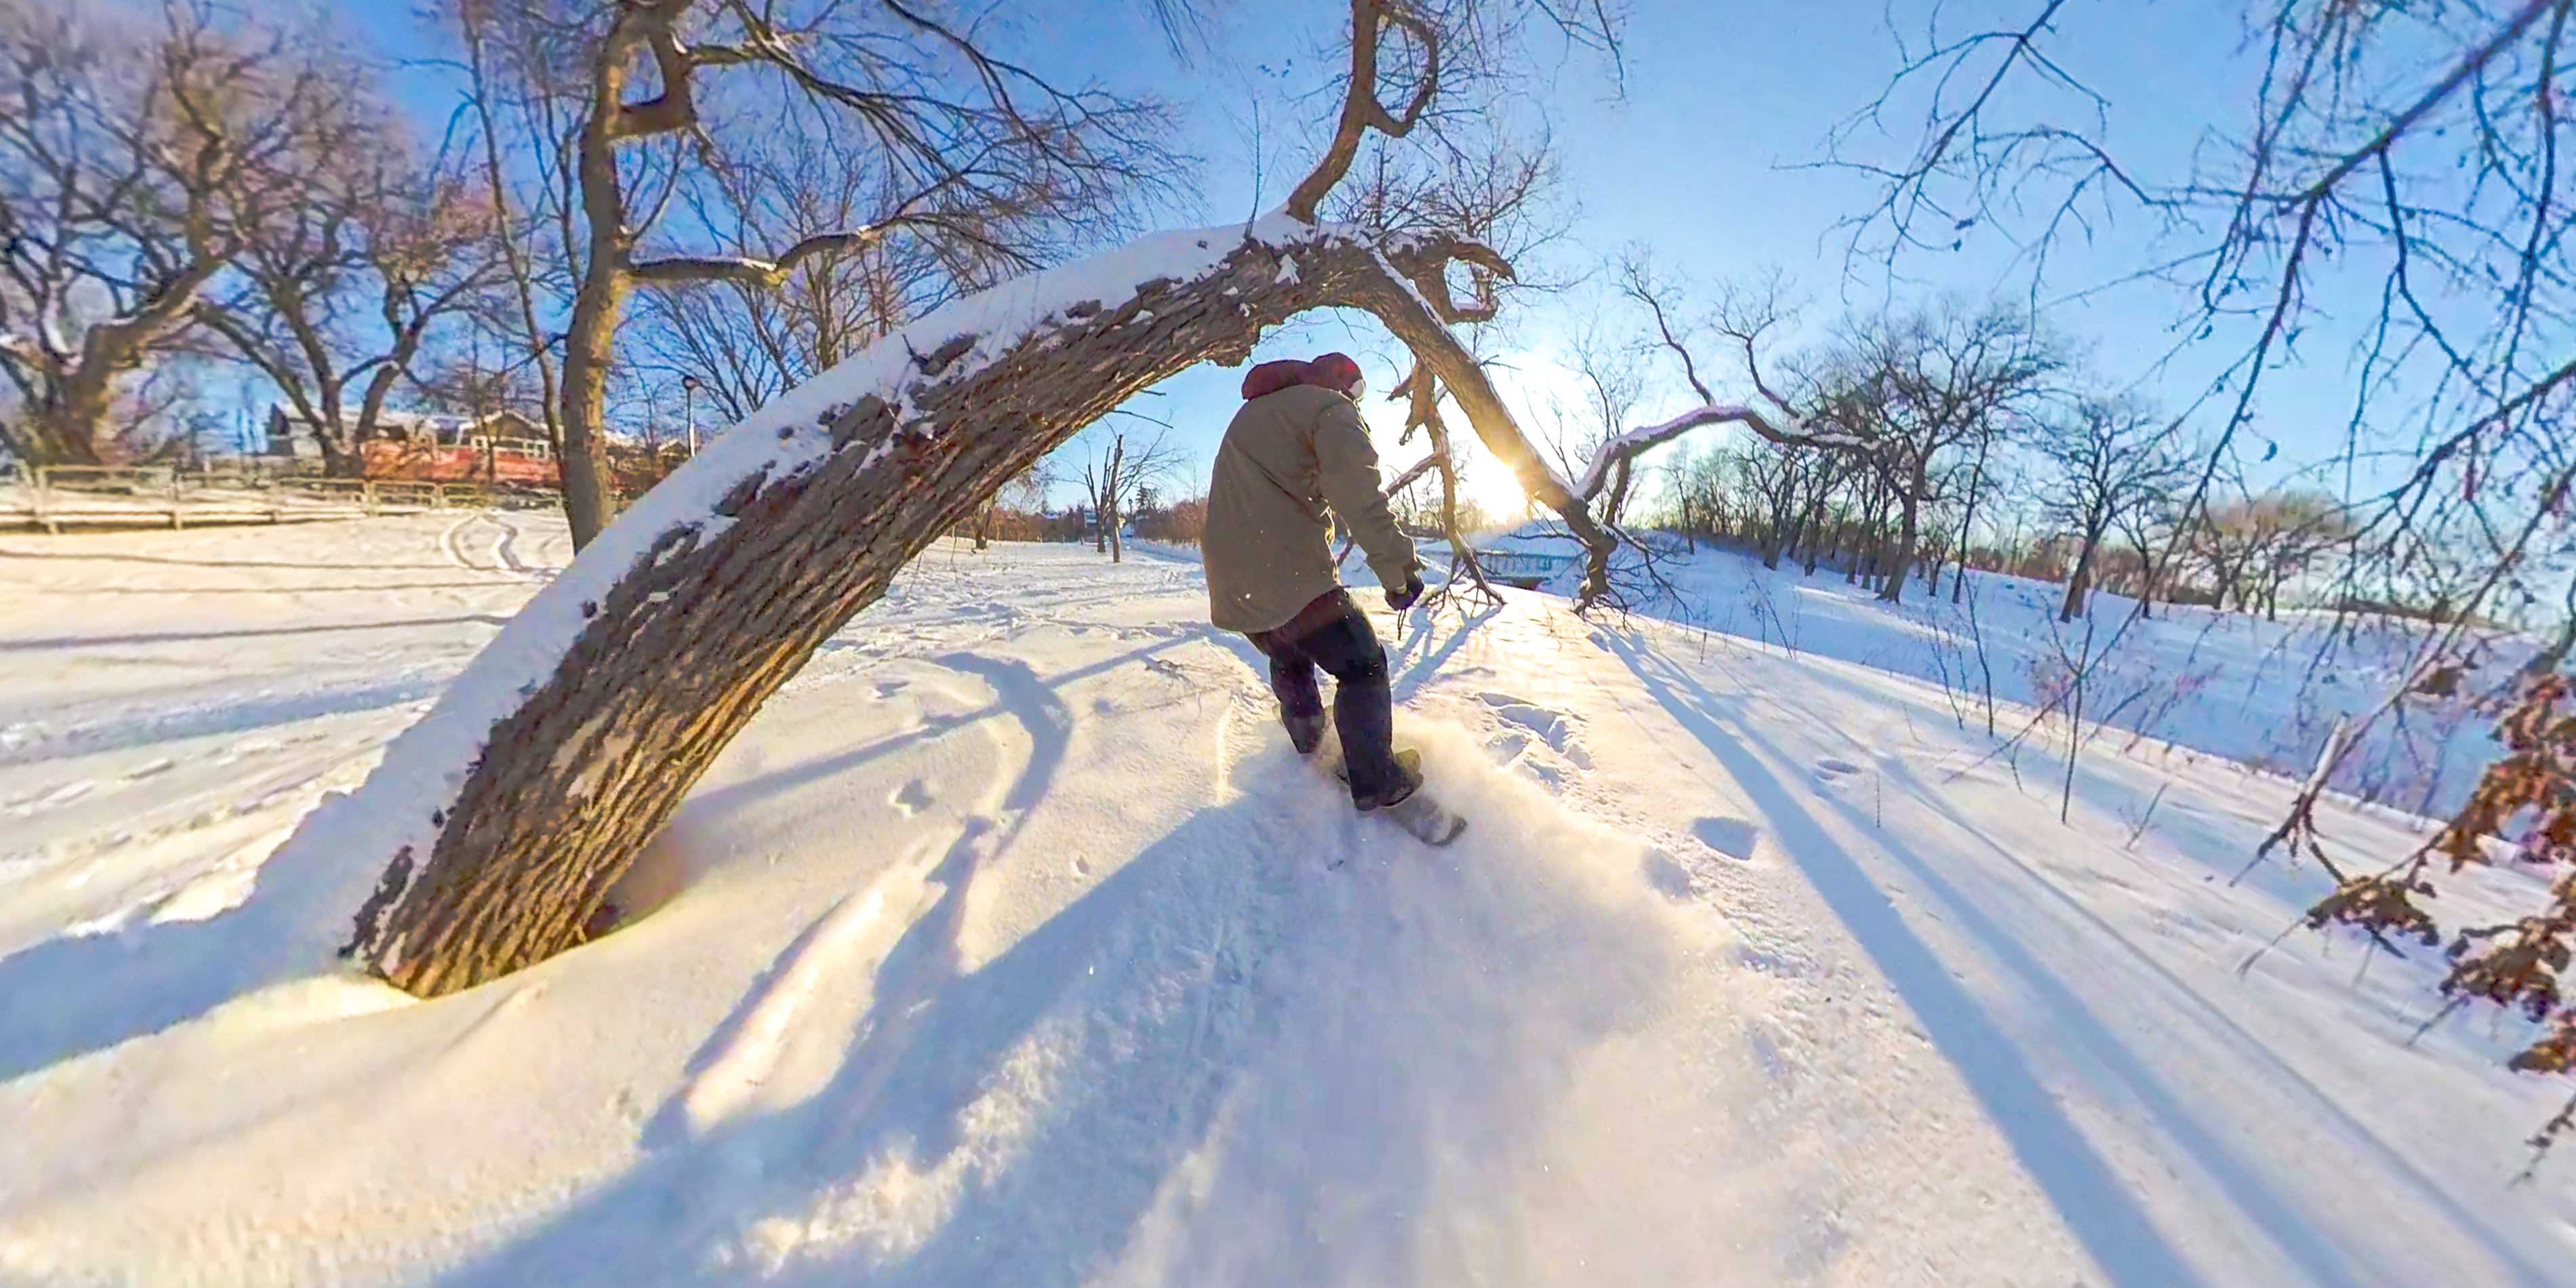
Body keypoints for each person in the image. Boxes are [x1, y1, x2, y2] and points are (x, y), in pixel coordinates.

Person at [1203, 351, 1426, 811]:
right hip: (1282, 566)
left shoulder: (1256, 414)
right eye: (1357, 389)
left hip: (1230, 578)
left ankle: (1309, 740)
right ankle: (1376, 780)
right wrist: (1398, 570)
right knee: (1362, 664)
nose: (1357, 400)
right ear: (1338, 381)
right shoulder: (1328, 407)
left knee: (1288, 647)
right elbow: (1359, 495)